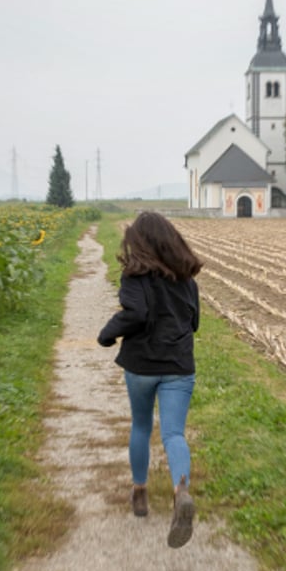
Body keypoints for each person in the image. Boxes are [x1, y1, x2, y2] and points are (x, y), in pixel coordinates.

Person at [98, 212, 203, 548]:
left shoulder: (134, 278)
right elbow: (195, 322)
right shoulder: (188, 281)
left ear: (137, 242)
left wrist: (107, 334)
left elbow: (137, 314)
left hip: (142, 365)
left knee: (141, 426)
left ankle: (140, 493)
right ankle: (180, 490)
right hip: (179, 366)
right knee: (174, 433)